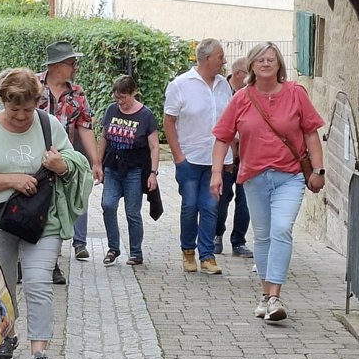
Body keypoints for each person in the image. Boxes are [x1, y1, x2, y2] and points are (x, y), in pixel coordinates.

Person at [0, 67, 92, 359]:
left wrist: (61, 165)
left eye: (28, 108)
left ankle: (39, 355)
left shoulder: (49, 124)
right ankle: (6, 335)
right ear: (3, 101)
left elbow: (74, 164)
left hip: (43, 220)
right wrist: (13, 179)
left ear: (38, 102)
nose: (22, 116)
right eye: (14, 109)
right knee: (3, 286)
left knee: (38, 283)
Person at [211, 42, 326, 323]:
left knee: (281, 229)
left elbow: (311, 133)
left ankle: (275, 296)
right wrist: (216, 174)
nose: (265, 64)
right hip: (254, 177)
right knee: (262, 236)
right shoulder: (241, 98)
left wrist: (318, 170)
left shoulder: (296, 93)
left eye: (271, 60)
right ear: (251, 65)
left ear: (279, 65)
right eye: (260, 60)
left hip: (290, 176)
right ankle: (265, 295)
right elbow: (223, 137)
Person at [162, 39, 233, 275]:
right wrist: (178, 157)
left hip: (216, 160)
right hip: (190, 159)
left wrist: (230, 156)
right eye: (221, 57)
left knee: (211, 207)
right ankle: (188, 251)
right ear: (207, 59)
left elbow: (229, 122)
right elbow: (169, 121)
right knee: (190, 206)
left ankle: (207, 256)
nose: (224, 61)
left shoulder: (223, 85)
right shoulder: (180, 85)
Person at [38, 41, 102, 279]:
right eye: (72, 63)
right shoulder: (33, 85)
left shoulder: (77, 93)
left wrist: (95, 162)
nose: (76, 67)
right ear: (56, 66)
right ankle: (26, 259)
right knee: (34, 208)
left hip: (62, 160)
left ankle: (51, 263)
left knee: (57, 209)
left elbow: (85, 127)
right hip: (33, 158)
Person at [97, 75, 159, 267]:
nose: (120, 102)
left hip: (134, 169)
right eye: (117, 97)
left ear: (133, 93)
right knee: (108, 205)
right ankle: (113, 248)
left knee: (132, 212)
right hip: (112, 166)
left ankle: (136, 252)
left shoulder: (145, 115)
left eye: (123, 97)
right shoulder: (111, 110)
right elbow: (104, 138)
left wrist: (153, 173)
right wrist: (97, 163)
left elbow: (154, 146)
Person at [215, 57, 252, 259]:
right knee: (222, 198)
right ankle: (217, 234)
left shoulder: (253, 93)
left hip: (247, 155)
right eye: (250, 74)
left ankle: (239, 241)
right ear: (238, 74)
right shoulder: (220, 91)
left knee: (245, 201)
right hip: (227, 156)